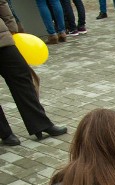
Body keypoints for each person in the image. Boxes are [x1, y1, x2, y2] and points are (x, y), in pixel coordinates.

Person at [0, 0, 67, 146]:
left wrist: (11, 28)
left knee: (22, 76)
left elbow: (2, 3)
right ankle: (4, 133)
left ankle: (40, 124)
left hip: (2, 38)